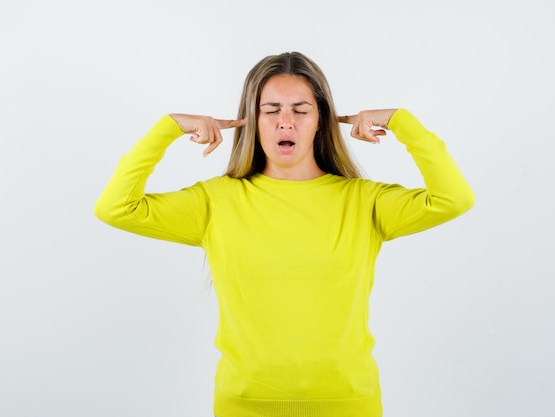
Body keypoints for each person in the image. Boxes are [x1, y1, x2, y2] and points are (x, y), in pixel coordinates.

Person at [94, 51, 474, 417]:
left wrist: (400, 121)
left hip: (349, 407)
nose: (285, 122)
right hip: (243, 407)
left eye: (301, 109)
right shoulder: (216, 201)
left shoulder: (363, 202)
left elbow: (452, 199)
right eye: (271, 110)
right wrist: (169, 127)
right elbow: (116, 208)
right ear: (253, 121)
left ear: (321, 120)